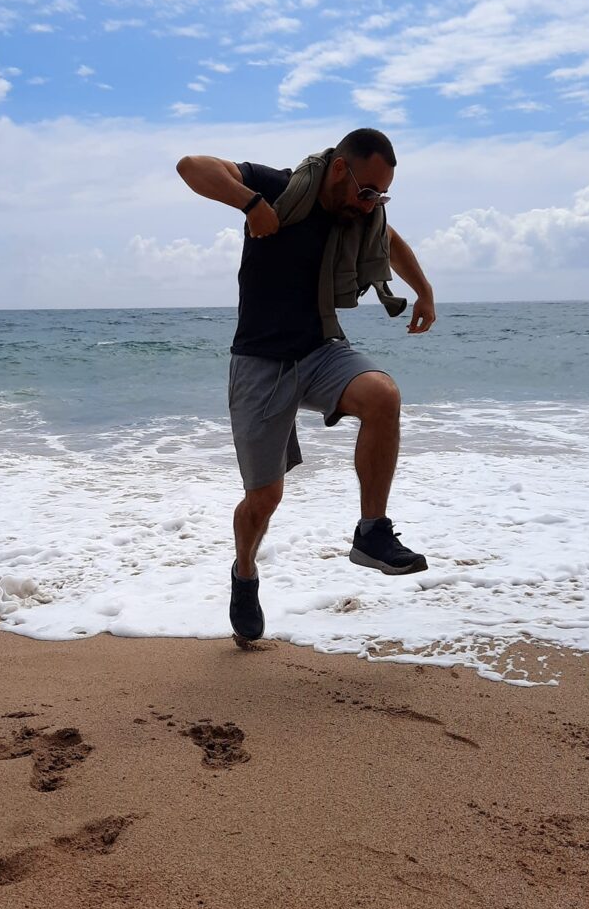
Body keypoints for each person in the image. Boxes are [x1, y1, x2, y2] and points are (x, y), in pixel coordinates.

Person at [176, 128, 436, 642]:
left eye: (381, 196)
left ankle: (372, 532)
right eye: (367, 191)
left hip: (319, 350)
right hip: (259, 362)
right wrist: (251, 204)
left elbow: (390, 240)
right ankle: (244, 573)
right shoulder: (278, 187)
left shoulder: (358, 215)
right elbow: (191, 166)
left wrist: (423, 291)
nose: (371, 205)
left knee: (383, 396)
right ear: (339, 168)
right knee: (264, 499)